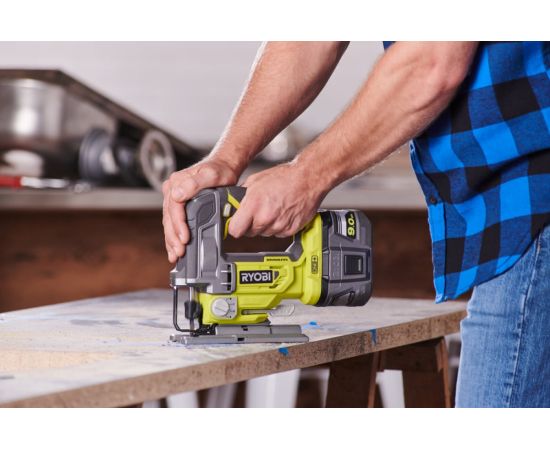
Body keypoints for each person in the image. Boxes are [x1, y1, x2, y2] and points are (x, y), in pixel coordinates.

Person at [162, 42, 550, 407]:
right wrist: (226, 159)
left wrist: (305, 176)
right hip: (513, 202)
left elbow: (431, 58)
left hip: (535, 192)